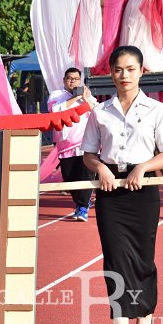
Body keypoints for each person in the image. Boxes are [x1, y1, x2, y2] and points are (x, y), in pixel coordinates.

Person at [82, 45, 163, 324]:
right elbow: (89, 154)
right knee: (115, 260)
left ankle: (145, 317)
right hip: (110, 193)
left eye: (131, 69)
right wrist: (101, 168)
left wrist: (143, 167)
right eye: (118, 69)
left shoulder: (157, 110)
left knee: (142, 259)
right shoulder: (100, 112)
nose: (124, 75)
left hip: (144, 191)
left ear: (141, 71)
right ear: (111, 73)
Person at [48, 67, 97, 221]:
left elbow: (97, 111)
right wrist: (75, 98)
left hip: (86, 144)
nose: (72, 82)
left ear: (80, 80)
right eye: (69, 79)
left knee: (85, 175)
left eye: (76, 79)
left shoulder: (87, 95)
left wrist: (85, 98)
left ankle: (82, 208)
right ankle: (82, 202)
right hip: (66, 146)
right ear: (64, 80)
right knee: (70, 178)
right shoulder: (57, 95)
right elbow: (55, 111)